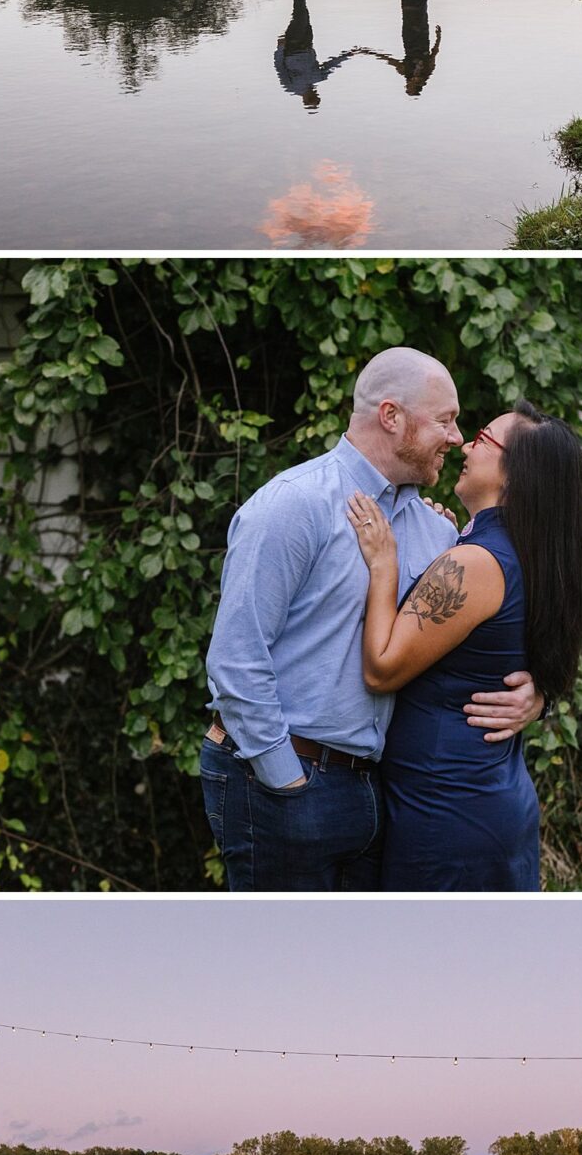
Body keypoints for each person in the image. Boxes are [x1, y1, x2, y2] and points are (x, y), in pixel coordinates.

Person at [201, 347, 544, 889]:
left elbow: (470, 641)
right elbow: (236, 660)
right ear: (392, 416)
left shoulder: (439, 534)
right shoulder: (295, 505)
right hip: (283, 776)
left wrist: (536, 692)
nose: (456, 438)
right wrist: (285, 779)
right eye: (446, 421)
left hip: (375, 790)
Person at [347, 399, 582, 890]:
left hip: (447, 809)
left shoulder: (475, 563)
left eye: (483, 438)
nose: (464, 443)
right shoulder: (528, 555)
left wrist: (385, 565)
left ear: (515, 473)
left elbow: (381, 668)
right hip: (480, 799)